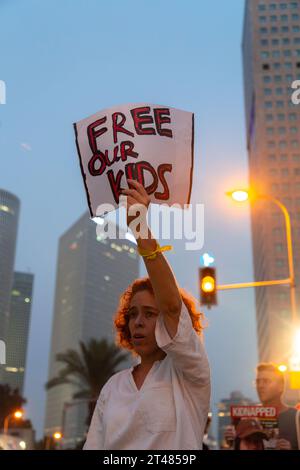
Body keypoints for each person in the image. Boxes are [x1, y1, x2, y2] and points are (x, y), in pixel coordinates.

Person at [83, 179, 211, 450]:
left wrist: (139, 226)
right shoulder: (113, 387)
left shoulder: (189, 373)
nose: (138, 322)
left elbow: (172, 306)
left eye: (150, 313)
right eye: (132, 314)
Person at [225, 362, 299, 450]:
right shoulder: (247, 418)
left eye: (266, 381)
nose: (260, 385)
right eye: (257, 381)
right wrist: (233, 443)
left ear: (281, 386)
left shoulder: (296, 417)